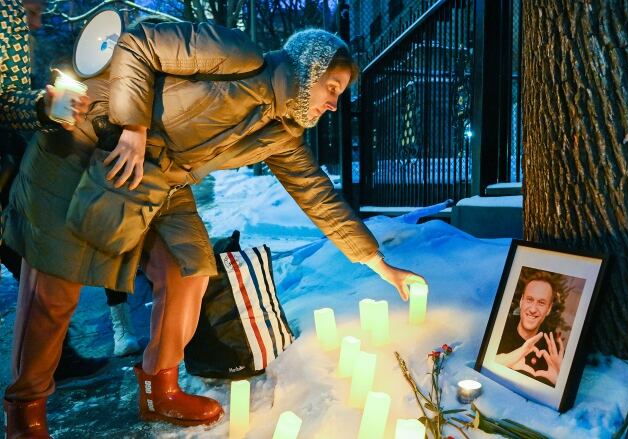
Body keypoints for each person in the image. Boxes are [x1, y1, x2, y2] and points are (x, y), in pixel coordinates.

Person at [2, 22, 427, 437]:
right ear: (309, 70)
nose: (334, 104)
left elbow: (320, 198)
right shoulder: (236, 55)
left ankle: (159, 388)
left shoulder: (282, 134)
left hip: (161, 177)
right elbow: (139, 42)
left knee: (189, 270)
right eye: (332, 87)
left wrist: (381, 266)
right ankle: (26, 409)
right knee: (56, 283)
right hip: (88, 139)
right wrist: (133, 127)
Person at [496, 269, 566, 387]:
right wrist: (506, 359)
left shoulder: (552, 349)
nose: (533, 309)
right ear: (521, 301)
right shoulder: (499, 329)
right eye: (529, 299)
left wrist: (560, 381)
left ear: (548, 309)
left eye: (541, 303)